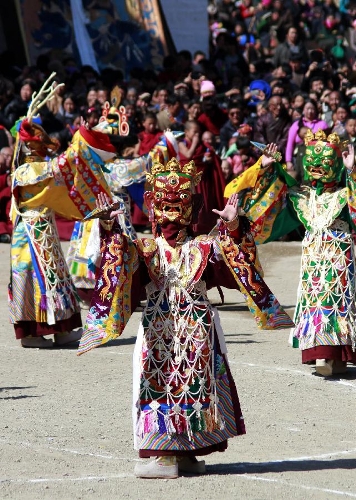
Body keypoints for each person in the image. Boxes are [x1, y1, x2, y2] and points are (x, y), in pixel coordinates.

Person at [78, 142, 293, 479]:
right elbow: (120, 274)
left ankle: (177, 453)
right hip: (169, 328)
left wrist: (235, 228)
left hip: (191, 327)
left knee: (183, 383)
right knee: (168, 380)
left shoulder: (203, 246)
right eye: (166, 201)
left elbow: (235, 269)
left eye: (178, 201)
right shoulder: (148, 247)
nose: (172, 208)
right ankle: (176, 451)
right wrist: (111, 230)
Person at [228, 130, 356, 376]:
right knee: (316, 299)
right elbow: (271, 196)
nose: (317, 166)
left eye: (325, 161)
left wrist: (351, 172)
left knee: (336, 299)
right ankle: (323, 354)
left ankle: (337, 354)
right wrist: (266, 167)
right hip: (313, 259)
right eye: (312, 161)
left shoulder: (343, 193)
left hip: (339, 255)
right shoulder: (301, 196)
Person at [9, 77, 118, 348]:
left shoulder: (31, 169)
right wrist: (79, 143)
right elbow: (60, 167)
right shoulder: (26, 171)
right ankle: (33, 333)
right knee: (35, 275)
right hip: (31, 232)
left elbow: (58, 169)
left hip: (40, 229)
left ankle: (59, 329)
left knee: (50, 274)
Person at [178, 120, 226, 234]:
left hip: (202, 180)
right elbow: (188, 155)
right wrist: (194, 142)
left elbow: (212, 158)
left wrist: (208, 160)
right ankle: (191, 229)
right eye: (194, 132)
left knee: (205, 205)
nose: (197, 135)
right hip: (187, 181)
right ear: (186, 132)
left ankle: (205, 229)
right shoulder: (181, 143)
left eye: (198, 133)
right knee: (190, 205)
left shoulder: (203, 145)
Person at [285, 99, 328, 173]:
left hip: (318, 159)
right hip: (299, 158)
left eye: (312, 109)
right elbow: (290, 144)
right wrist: (288, 161)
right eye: (307, 108)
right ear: (303, 110)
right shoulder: (296, 125)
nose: (310, 111)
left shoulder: (322, 124)